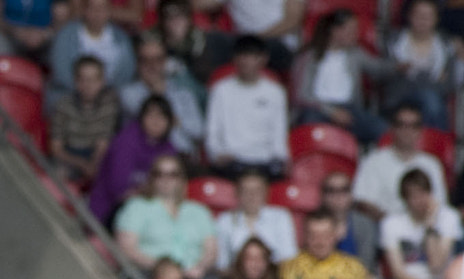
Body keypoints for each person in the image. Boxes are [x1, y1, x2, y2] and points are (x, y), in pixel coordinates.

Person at [291, 10, 388, 146]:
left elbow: (379, 68)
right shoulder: (308, 57)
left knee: (383, 130)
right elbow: (301, 95)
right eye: (351, 30)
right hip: (318, 108)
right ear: (335, 31)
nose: (356, 34)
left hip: (350, 109)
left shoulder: (355, 53)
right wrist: (332, 112)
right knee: (310, 124)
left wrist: (399, 66)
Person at [118, 156, 220, 279]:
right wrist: (163, 270)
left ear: (181, 178)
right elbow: (127, 248)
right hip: (150, 274)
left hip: (193, 276)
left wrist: (199, 268)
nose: (166, 179)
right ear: (151, 178)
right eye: (159, 174)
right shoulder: (136, 207)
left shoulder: (199, 211)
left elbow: (211, 251)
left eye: (173, 174)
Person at [206, 36, 291, 178]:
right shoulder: (220, 90)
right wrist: (216, 153)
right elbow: (212, 131)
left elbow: (279, 132)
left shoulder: (275, 92)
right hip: (232, 160)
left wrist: (282, 158)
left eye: (252, 56)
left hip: (265, 161)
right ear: (235, 58)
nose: (246, 61)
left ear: (263, 59)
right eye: (242, 55)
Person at [90, 96, 180, 225]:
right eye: (151, 115)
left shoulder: (169, 149)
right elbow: (118, 188)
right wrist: (148, 191)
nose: (156, 121)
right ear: (141, 117)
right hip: (109, 211)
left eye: (161, 117)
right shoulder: (126, 140)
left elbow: (171, 189)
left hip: (148, 211)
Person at [379, 168, 460, 279]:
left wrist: (430, 227)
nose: (420, 200)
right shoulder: (391, 224)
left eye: (423, 193)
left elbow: (437, 265)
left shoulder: (448, 217)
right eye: (414, 196)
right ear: (405, 199)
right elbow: (398, 272)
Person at [353, 106, 449, 222]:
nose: (407, 131)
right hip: (383, 227)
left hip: (425, 227)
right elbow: (363, 201)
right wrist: (394, 224)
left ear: (420, 131)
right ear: (392, 128)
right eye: (401, 125)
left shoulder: (432, 164)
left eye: (413, 126)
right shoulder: (374, 161)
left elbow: (440, 203)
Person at [122, 32, 206, 156]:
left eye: (157, 59)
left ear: (165, 61)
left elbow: (199, 132)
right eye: (145, 60)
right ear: (138, 63)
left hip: (182, 156)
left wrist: (178, 122)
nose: (152, 65)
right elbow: (149, 126)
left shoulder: (183, 93)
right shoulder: (128, 94)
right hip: (145, 159)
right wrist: (173, 119)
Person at [387, 0, 462, 128]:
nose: (423, 20)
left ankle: (436, 143)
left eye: (428, 16)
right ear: (409, 16)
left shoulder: (446, 44)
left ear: (436, 19)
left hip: (435, 101)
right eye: (418, 15)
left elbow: (450, 83)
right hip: (400, 99)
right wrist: (432, 83)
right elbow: (386, 76)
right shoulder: (394, 41)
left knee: (431, 101)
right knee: (431, 100)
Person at [48, 0, 136, 107]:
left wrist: (104, 93)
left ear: (109, 11)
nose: (97, 13)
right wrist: (86, 91)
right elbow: (61, 71)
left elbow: (127, 72)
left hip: (110, 95)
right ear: (84, 10)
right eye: (92, 8)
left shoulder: (121, 37)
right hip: (73, 92)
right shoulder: (65, 35)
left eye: (102, 8)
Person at [51, 56, 122, 187]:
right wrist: (82, 164)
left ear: (102, 81)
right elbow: (56, 149)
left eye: (93, 80)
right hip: (69, 156)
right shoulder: (63, 105)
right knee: (56, 174)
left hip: (96, 156)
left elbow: (103, 144)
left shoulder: (109, 106)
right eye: (83, 79)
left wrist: (93, 164)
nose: (88, 85)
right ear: (75, 81)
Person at [216, 169, 299, 269]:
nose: (251, 196)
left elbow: (289, 257)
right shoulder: (225, 220)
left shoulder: (280, 217)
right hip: (236, 278)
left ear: (266, 192)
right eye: (246, 191)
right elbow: (222, 263)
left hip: (275, 277)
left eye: (257, 190)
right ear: (237, 194)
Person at [320, 171, 382, 271]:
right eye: (331, 190)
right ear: (323, 195)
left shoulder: (365, 224)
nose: (337, 196)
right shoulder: (314, 224)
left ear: (351, 194)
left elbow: (366, 264)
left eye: (343, 190)